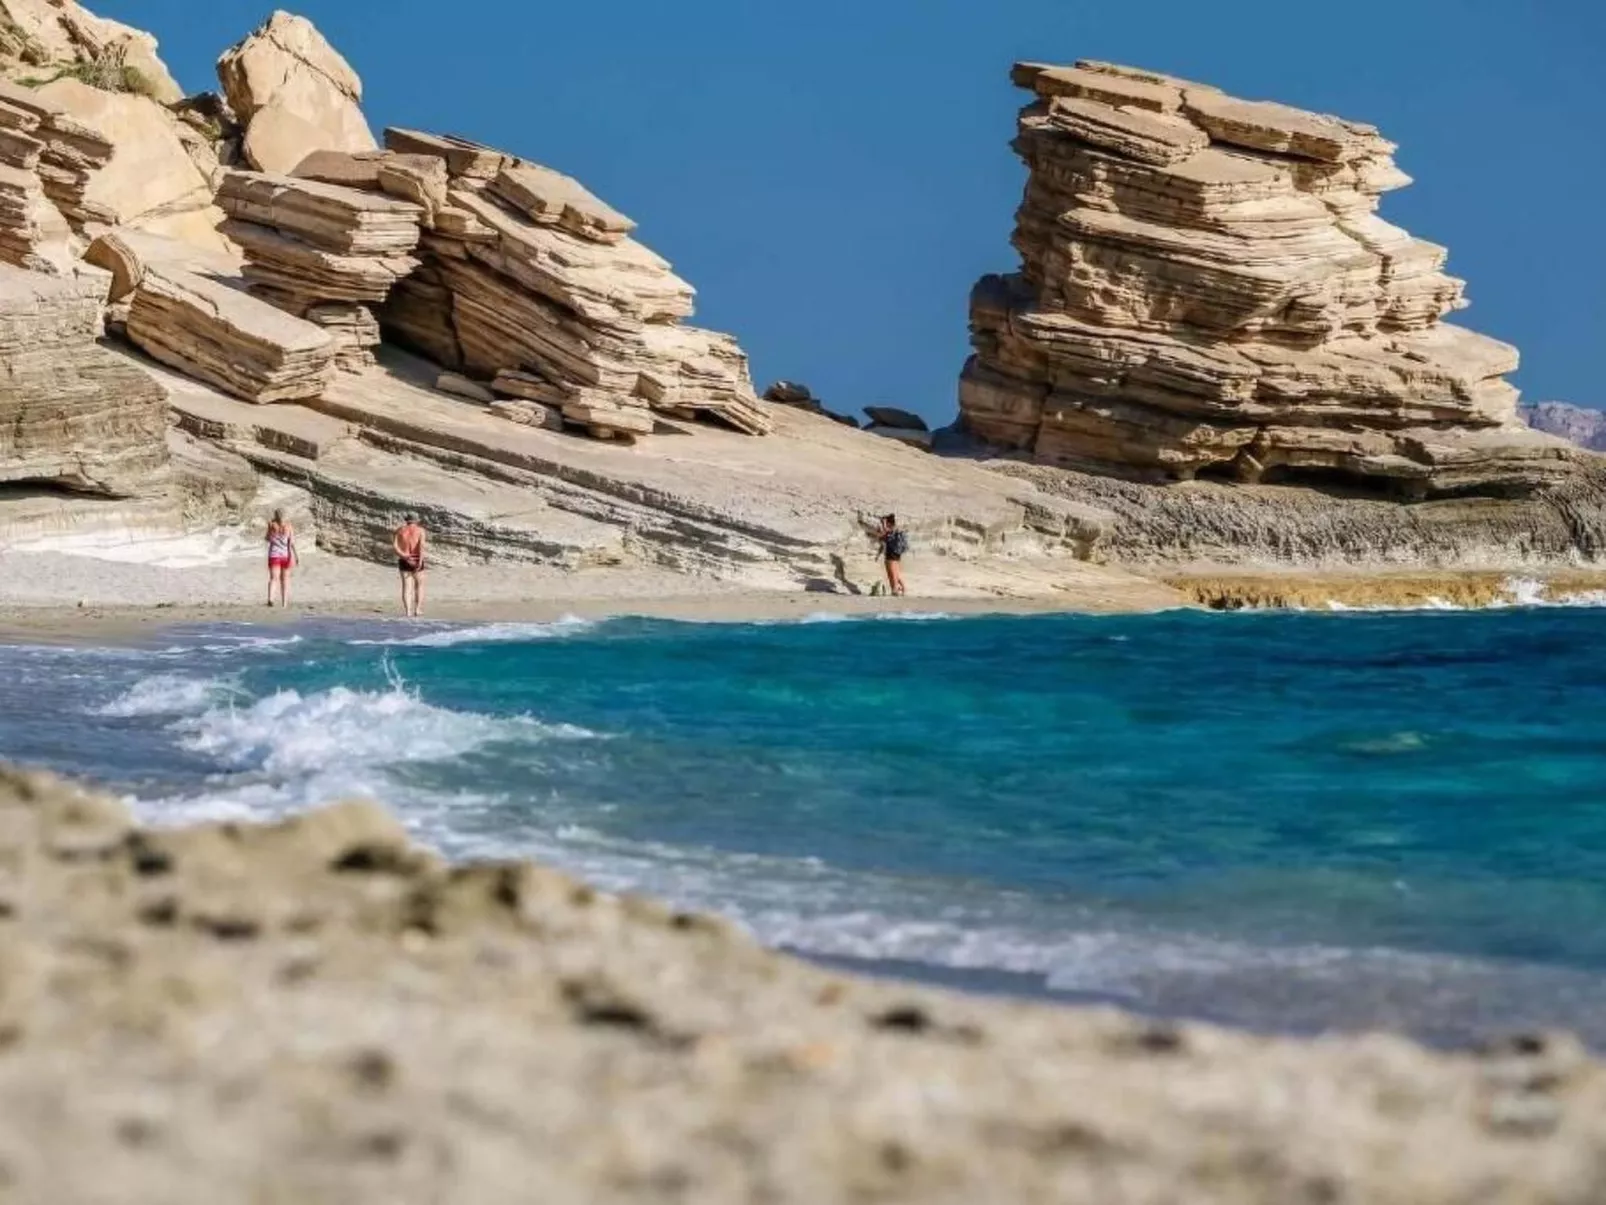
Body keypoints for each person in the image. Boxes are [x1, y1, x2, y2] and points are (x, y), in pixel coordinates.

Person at [393, 513, 428, 618]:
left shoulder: (399, 530)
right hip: (417, 558)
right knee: (419, 586)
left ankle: (408, 611)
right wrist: (420, 561)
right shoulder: (420, 531)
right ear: (417, 520)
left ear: (406, 520)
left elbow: (395, 546)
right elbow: (421, 546)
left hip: (405, 559)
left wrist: (404, 556)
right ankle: (417, 609)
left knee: (406, 587)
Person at [264, 509, 298, 608]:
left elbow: (267, 538)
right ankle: (284, 604)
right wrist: (296, 556)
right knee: (285, 580)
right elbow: (291, 543)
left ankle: (270, 599)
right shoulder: (289, 526)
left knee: (274, 578)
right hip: (285, 556)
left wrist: (272, 533)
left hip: (274, 555)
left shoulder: (271, 525)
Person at [874, 513, 908, 597]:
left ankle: (895, 590)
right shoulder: (896, 530)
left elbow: (884, 535)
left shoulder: (890, 530)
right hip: (896, 554)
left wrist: (883, 524)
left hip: (891, 554)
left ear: (888, 522)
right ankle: (902, 588)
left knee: (892, 574)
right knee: (895, 573)